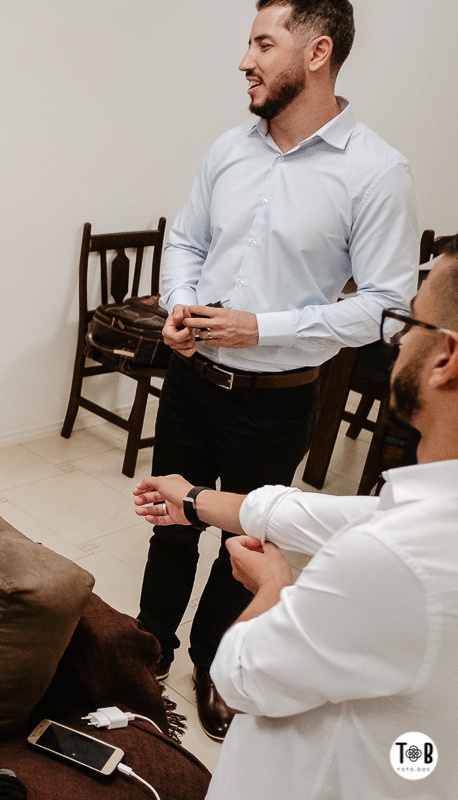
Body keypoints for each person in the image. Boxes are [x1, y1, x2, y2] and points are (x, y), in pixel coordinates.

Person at [136, 0, 419, 740]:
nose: (245, 60)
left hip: (277, 400)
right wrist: (180, 301)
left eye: (263, 43)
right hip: (193, 382)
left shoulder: (377, 172)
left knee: (246, 540)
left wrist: (266, 328)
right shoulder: (228, 149)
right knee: (169, 518)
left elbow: (389, 305)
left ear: (317, 53)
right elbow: (187, 241)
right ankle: (147, 650)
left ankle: (211, 663)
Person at [132, 240, 458, 797]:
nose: (398, 338)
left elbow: (242, 681)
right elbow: (317, 511)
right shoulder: (424, 516)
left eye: (407, 320)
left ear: (446, 360)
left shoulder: (388, 559)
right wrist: (192, 500)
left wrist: (273, 589)